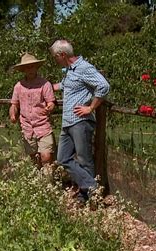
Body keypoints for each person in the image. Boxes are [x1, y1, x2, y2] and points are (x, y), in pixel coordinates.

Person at [49, 40, 110, 203]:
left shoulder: (84, 67)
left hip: (80, 121)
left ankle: (89, 197)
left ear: (62, 55)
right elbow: (64, 85)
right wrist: (43, 86)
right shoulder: (70, 71)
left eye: (55, 57)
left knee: (84, 160)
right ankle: (92, 187)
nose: (55, 61)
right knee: (62, 159)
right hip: (67, 122)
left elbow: (103, 86)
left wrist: (90, 108)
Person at [10, 53, 56, 168]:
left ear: (36, 67)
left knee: (46, 157)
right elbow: (14, 104)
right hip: (27, 128)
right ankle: (39, 182)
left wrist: (49, 107)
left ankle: (48, 182)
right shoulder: (18, 86)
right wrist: (12, 115)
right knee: (34, 159)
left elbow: (51, 102)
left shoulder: (45, 84)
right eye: (27, 67)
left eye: (32, 66)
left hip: (43, 126)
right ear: (23, 70)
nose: (30, 69)